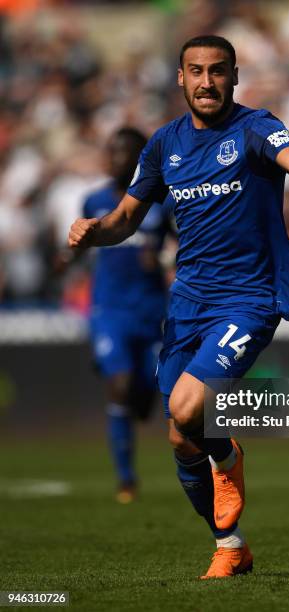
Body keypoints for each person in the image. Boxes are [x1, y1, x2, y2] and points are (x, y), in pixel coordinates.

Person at [68, 35, 289, 578]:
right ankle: (230, 544)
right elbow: (125, 218)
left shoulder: (255, 126)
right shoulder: (162, 145)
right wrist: (94, 230)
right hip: (188, 301)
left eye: (218, 71)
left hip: (250, 296)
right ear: (180, 78)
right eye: (196, 71)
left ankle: (228, 460)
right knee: (178, 433)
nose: (207, 81)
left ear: (234, 76)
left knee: (190, 409)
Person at [66, 127, 172, 503]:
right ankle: (126, 478)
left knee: (149, 396)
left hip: (152, 310)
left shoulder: (163, 202)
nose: (114, 159)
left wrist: (164, 257)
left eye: (123, 152)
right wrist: (68, 256)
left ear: (140, 158)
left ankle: (139, 402)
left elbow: (182, 244)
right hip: (109, 309)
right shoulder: (93, 200)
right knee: (120, 385)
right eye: (110, 152)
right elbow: (82, 242)